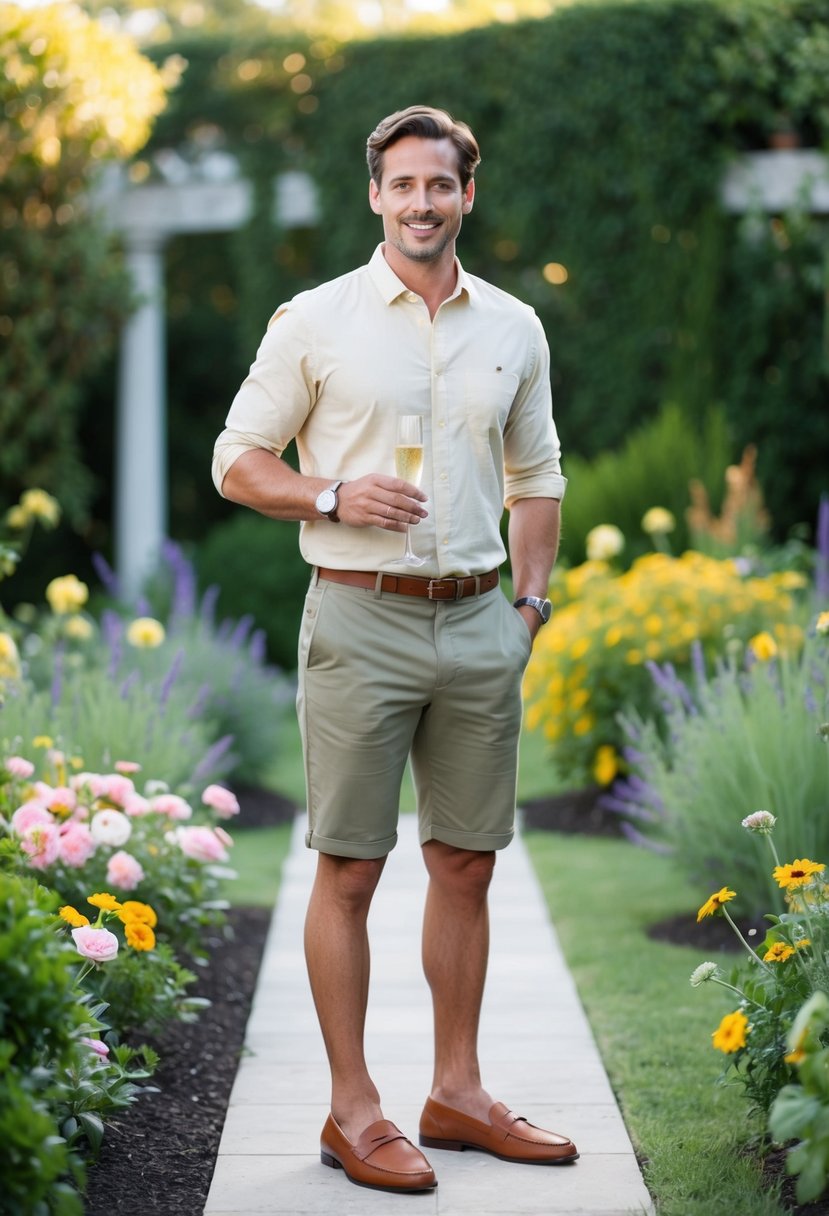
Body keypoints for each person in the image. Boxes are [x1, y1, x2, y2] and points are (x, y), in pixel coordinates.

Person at [212, 104, 577, 1194]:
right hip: (357, 615)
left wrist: (526, 609)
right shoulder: (314, 322)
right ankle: (353, 1109)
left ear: (468, 195)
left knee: (466, 861)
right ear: (375, 195)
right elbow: (236, 458)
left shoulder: (515, 326)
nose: (423, 201)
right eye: (404, 184)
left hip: (479, 622)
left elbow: (539, 475)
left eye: (442, 184)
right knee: (352, 868)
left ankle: (455, 1093)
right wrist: (326, 489)